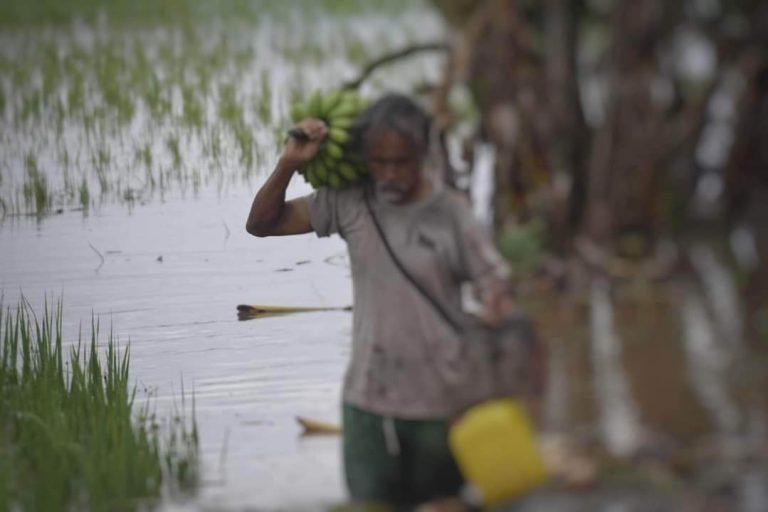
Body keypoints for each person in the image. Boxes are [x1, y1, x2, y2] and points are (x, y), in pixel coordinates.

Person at [246, 94, 523, 510]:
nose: (390, 174)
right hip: (367, 401)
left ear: (423, 153)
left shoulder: (451, 214)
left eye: (401, 162)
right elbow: (261, 224)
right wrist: (289, 163)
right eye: (379, 162)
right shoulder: (350, 202)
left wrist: (491, 371)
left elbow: (496, 289)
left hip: (441, 404)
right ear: (364, 158)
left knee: (443, 504)